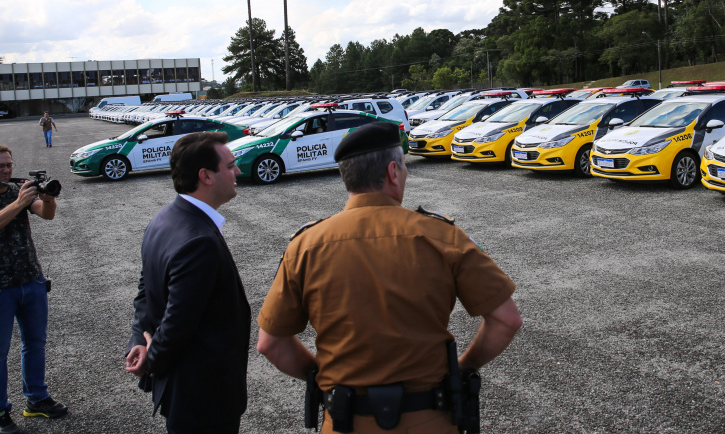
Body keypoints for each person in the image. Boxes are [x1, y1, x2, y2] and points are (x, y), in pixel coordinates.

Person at [257, 122, 522, 434]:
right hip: (430, 421)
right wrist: (463, 367)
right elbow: (506, 320)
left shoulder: (304, 245)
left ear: (347, 176)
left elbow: (271, 344)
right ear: (393, 172)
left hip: (344, 420)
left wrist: (321, 374)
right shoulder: (442, 236)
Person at [125, 132, 251, 434]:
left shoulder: (164, 219)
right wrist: (150, 358)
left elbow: (146, 293)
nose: (238, 172)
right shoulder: (199, 240)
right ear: (206, 176)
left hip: (187, 394)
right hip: (201, 397)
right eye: (231, 166)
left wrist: (138, 342)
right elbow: (178, 322)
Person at [0, 145, 67, 434]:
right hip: (1, 288)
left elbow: (46, 214)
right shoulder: (15, 197)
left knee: (35, 344)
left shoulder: (16, 190)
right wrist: (18, 203)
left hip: (31, 279)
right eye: (0, 166)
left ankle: (36, 399)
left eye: (8, 164)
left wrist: (48, 198)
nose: (5, 170)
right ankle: (1, 411)